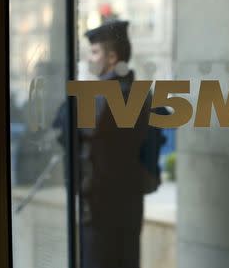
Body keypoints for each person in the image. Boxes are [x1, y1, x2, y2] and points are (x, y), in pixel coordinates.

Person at [53, 20, 160, 268]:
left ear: (112, 57)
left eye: (94, 52)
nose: (90, 59)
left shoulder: (100, 97)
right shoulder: (142, 93)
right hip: (129, 203)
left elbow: (62, 125)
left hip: (100, 207)